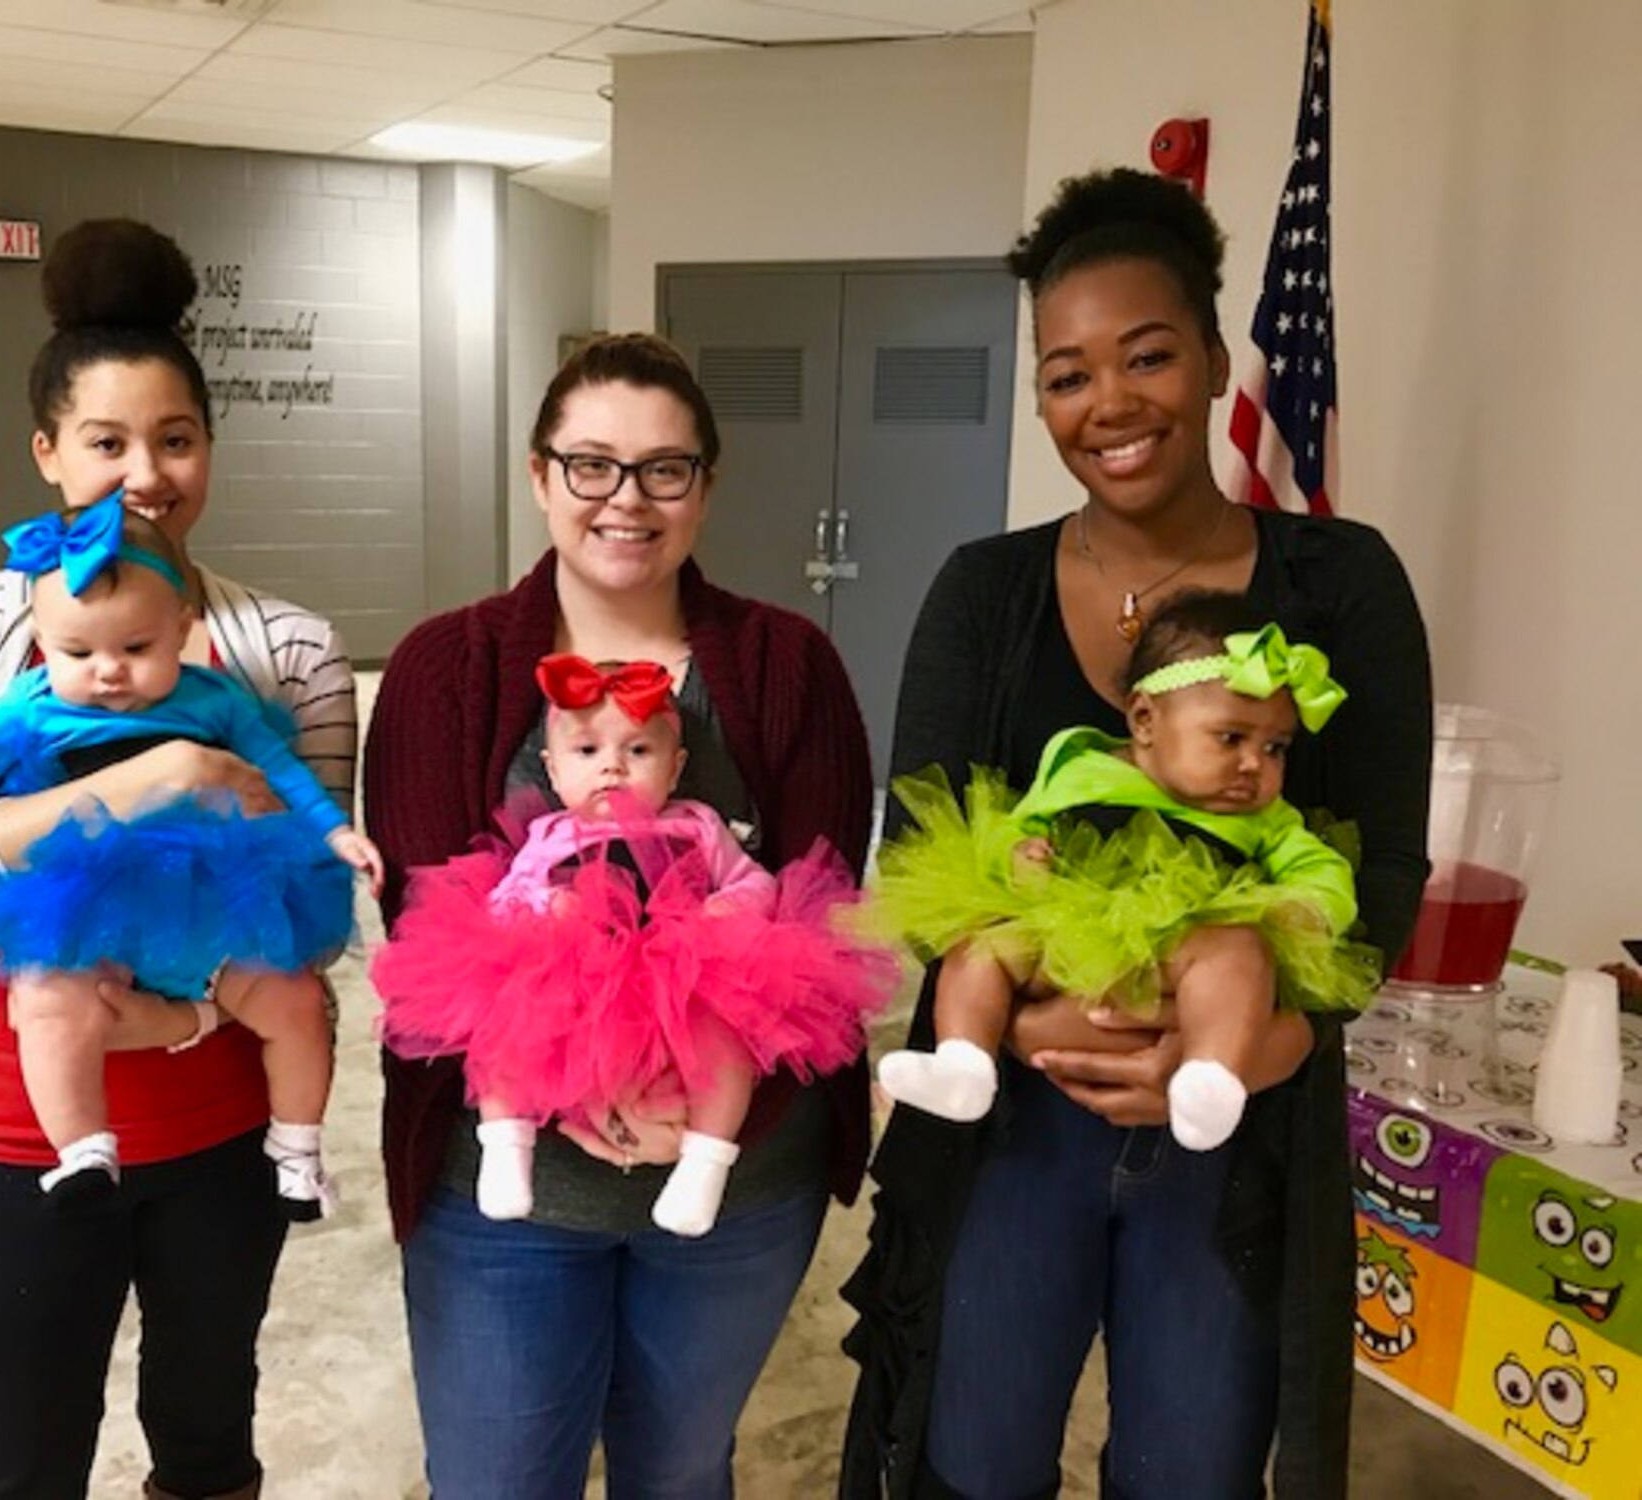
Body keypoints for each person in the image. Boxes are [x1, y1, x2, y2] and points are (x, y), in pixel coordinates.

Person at [838, 167, 1432, 1499]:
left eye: (1147, 356)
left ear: (1219, 362)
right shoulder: (984, 593)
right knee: (975, 1458)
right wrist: (1022, 1021)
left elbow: (1385, 869)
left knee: (1191, 1468)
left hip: (1236, 1126)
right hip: (1017, 1123)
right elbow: (923, 854)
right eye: (1066, 373)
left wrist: (1274, 1036)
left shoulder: (1344, 584)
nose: (1107, 403)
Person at [0, 217, 357, 1500]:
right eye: (105, 441)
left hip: (220, 1127)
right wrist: (173, 774)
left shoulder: (290, 649)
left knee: (207, 1444)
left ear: (209, 449)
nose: (145, 473)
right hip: (22, 1123)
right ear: (47, 453)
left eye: (177, 439)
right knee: (19, 1463)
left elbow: (307, 911)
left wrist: (181, 1014)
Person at [364, 332, 876, 1496]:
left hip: (730, 1178)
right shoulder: (445, 669)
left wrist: (709, 1111)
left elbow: (821, 922)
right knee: (496, 1479)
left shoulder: (786, 665)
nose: (624, 500)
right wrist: (564, 1080)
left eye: (663, 469)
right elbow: (421, 934)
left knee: (678, 1473)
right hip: (502, 1190)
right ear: (539, 475)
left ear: (704, 485)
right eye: (589, 464)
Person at [0, 496, 382, 1215]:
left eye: (137, 649)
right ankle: (83, 1150)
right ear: (41, 641)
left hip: (211, 915)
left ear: (182, 628)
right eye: (77, 654)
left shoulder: (218, 700)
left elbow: (281, 769)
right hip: (89, 918)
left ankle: (297, 1148)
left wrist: (335, 833)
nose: (108, 672)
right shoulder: (29, 706)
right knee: (49, 1004)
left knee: (297, 1003)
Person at [373, 651, 889, 1238]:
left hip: (685, 976)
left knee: (726, 1039)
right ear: (553, 769)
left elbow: (758, 883)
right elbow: (505, 902)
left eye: (638, 750)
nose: (612, 768)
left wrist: (727, 907)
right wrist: (548, 908)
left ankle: (704, 1164)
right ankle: (506, 1148)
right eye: (587, 751)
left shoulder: (697, 824)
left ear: (676, 767)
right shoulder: (550, 834)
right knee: (506, 1026)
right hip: (573, 981)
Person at [870, 593, 1378, 1153]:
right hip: (1060, 934)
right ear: (1143, 719)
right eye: (1231, 737)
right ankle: (964, 1063)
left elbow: (1320, 865)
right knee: (979, 947)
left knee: (1240, 954)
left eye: (1276, 747)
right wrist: (1016, 855)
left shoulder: (1265, 819)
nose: (1254, 764)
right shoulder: (1080, 765)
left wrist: (1309, 906)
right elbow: (1013, 824)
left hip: (1179, 948)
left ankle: (1209, 1076)